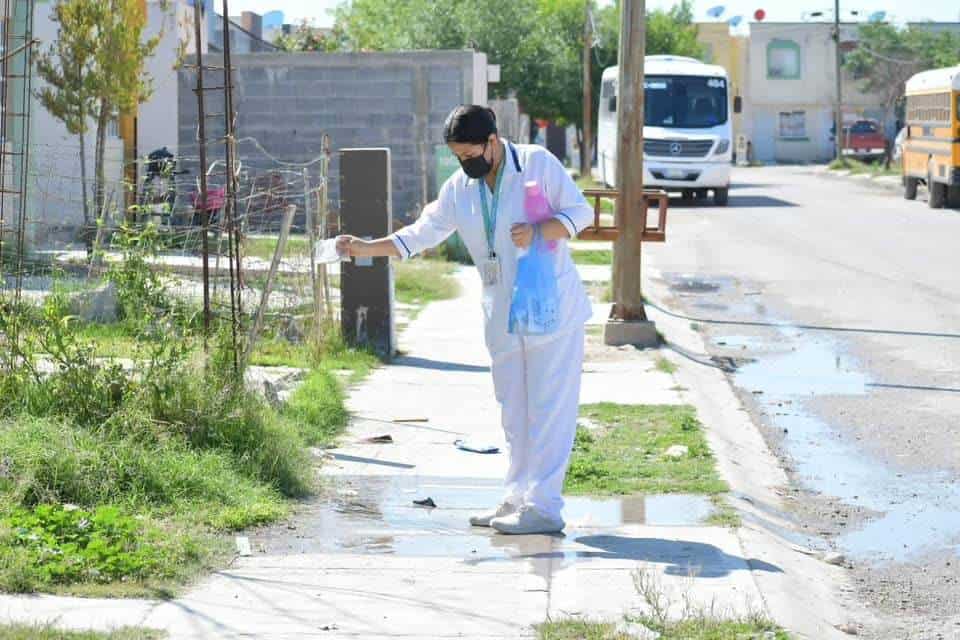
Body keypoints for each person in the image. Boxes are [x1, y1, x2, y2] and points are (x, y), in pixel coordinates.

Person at [336, 105, 593, 535]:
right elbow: (423, 233)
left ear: (493, 142)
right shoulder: (461, 188)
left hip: (551, 308)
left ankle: (545, 508)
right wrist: (365, 248)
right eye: (458, 157)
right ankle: (516, 499)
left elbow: (581, 213)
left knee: (549, 409)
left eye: (471, 154)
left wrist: (540, 231)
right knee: (514, 411)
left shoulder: (536, 163)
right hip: (502, 314)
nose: (465, 164)